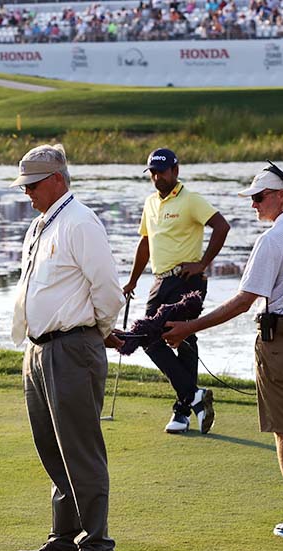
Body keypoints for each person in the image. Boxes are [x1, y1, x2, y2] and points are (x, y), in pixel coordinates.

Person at [163, 164, 283, 542]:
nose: (254, 205)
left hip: (280, 344)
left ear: (282, 195)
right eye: (252, 198)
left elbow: (243, 302)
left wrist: (188, 327)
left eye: (259, 197)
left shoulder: (273, 239)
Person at [9, 144, 125, 551]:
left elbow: (108, 291)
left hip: (73, 347)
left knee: (80, 449)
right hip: (38, 349)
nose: (28, 194)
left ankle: (97, 546)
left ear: (57, 180)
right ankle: (64, 537)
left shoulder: (80, 222)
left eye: (34, 185)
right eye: (25, 187)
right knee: (51, 447)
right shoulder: (42, 224)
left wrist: (95, 334)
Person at [122, 148, 230, 435]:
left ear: (175, 171)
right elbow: (145, 244)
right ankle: (190, 402)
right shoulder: (150, 203)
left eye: (162, 171)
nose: (157, 177)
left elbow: (221, 226)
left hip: (186, 281)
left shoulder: (191, 200)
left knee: (165, 335)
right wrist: (133, 280)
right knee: (168, 337)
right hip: (159, 282)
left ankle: (188, 400)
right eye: (153, 173)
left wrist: (203, 263)